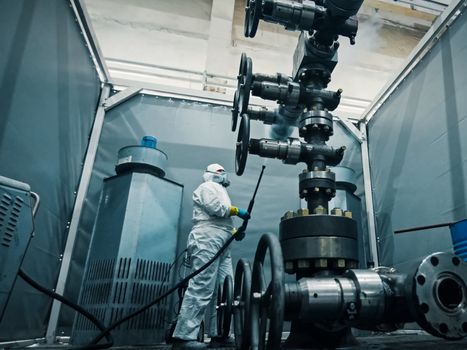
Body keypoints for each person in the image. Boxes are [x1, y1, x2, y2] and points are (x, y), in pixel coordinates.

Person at [172, 163, 250, 350]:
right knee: (202, 285)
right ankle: (183, 337)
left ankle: (220, 335)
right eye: (220, 171)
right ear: (212, 173)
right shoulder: (207, 187)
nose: (224, 174)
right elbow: (217, 209)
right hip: (207, 238)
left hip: (221, 240)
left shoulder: (220, 189)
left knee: (225, 290)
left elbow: (219, 222)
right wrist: (237, 211)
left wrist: (234, 232)